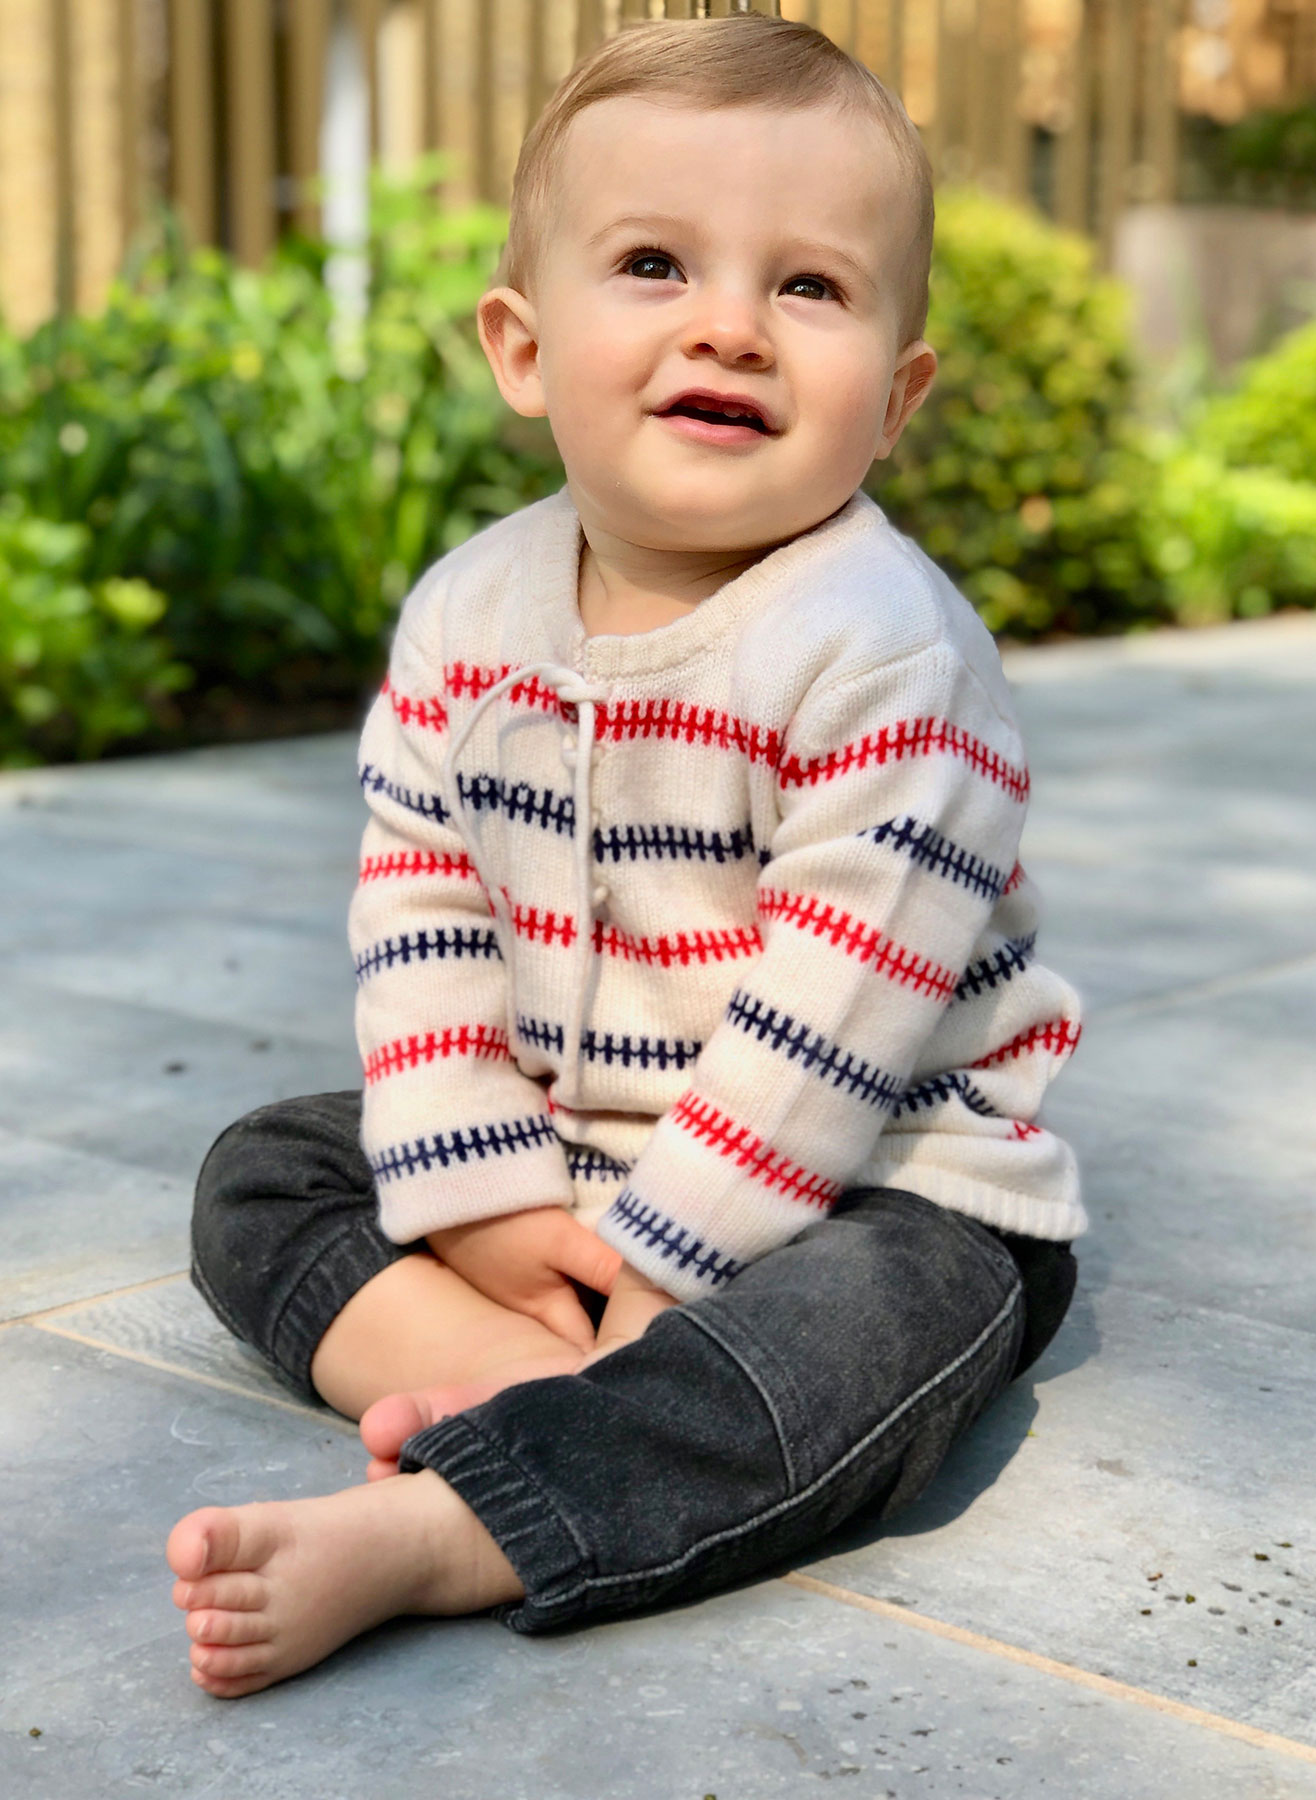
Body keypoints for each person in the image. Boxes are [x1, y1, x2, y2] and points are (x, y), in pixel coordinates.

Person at [167, 13, 1086, 1699]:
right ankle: (535, 1387)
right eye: (655, 264)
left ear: (895, 397)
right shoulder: (470, 613)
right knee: (264, 1174)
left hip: (860, 1174)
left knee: (883, 1332)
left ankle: (464, 1521)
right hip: (562, 1174)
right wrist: (488, 1191)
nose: (729, 326)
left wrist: (669, 1266)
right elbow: (422, 905)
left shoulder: (886, 652)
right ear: (524, 349)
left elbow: (839, 1022)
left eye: (808, 288)